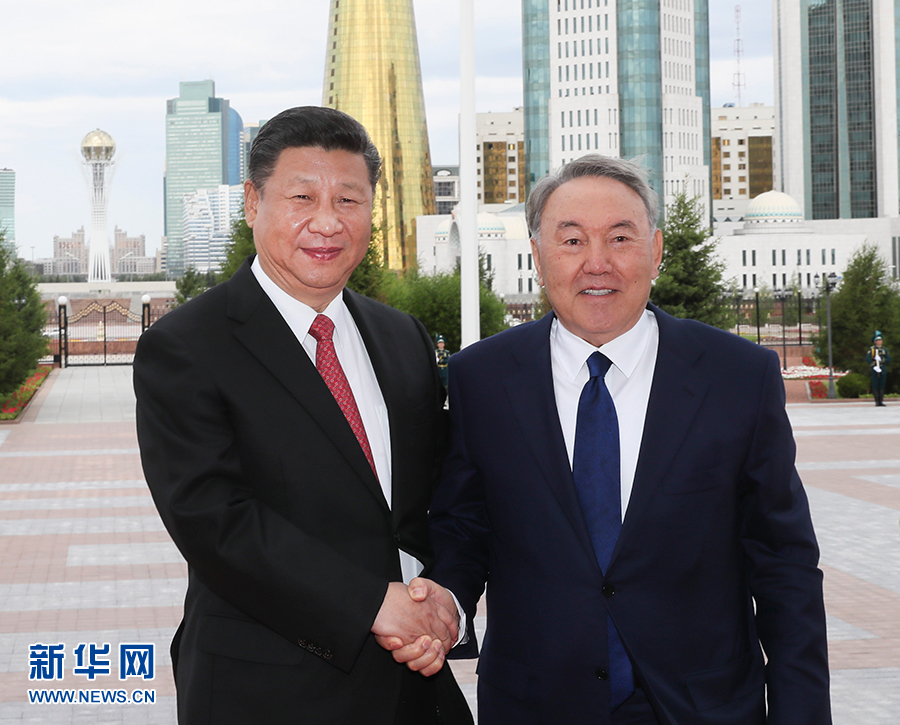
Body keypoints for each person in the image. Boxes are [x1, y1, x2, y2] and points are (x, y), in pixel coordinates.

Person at [425, 155, 831, 723]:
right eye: (571, 241)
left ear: (656, 249)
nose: (598, 264)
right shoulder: (482, 379)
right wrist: (447, 603)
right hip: (535, 704)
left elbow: (784, 563)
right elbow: (464, 528)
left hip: (700, 705)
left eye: (620, 237)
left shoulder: (737, 376)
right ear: (538, 256)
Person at [134, 106, 471, 724]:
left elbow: (437, 495)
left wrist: (443, 597)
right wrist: (373, 604)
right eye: (301, 197)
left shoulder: (402, 338)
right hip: (265, 690)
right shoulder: (186, 346)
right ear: (251, 202)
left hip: (413, 687)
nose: (326, 222)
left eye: (349, 200)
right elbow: (215, 521)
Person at [866, 332, 891, 407]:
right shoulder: (872, 349)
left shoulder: (884, 350)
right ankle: (877, 401)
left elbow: (888, 358)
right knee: (875, 384)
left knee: (882, 385)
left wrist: (881, 360)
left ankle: (881, 401)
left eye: (880, 340)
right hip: (875, 368)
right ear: (875, 342)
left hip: (882, 368)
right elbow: (868, 358)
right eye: (878, 340)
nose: (880, 342)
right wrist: (873, 366)